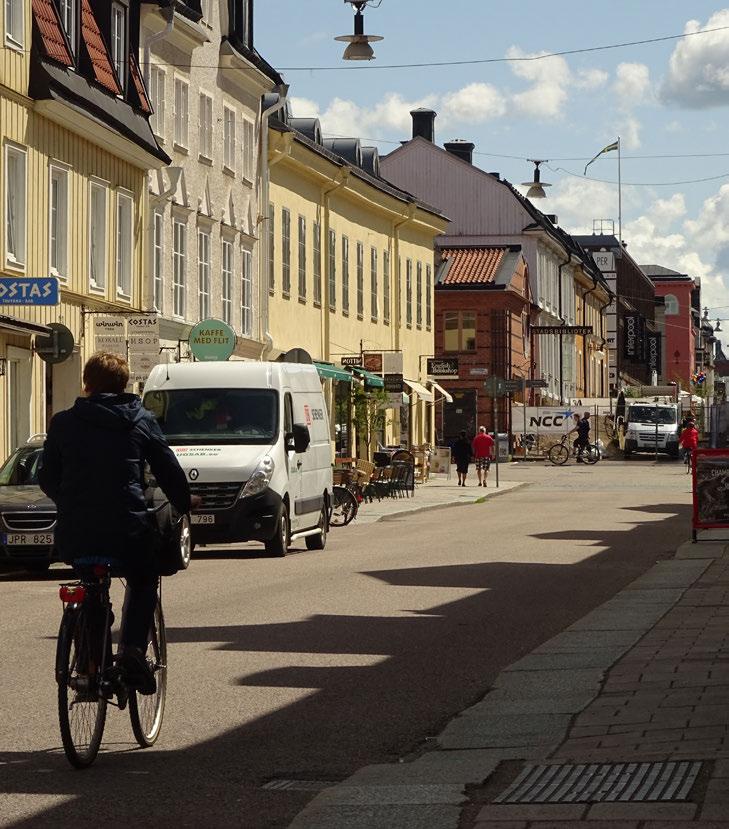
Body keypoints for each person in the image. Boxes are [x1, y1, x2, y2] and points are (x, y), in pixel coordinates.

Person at [39, 353, 196, 694]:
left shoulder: (63, 422)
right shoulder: (140, 419)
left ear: (87, 385)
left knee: (89, 582)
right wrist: (185, 504)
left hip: (76, 530)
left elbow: (47, 476)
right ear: (124, 385)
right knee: (143, 578)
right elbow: (168, 470)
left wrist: (67, 501)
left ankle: (88, 662)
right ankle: (132, 654)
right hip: (127, 528)